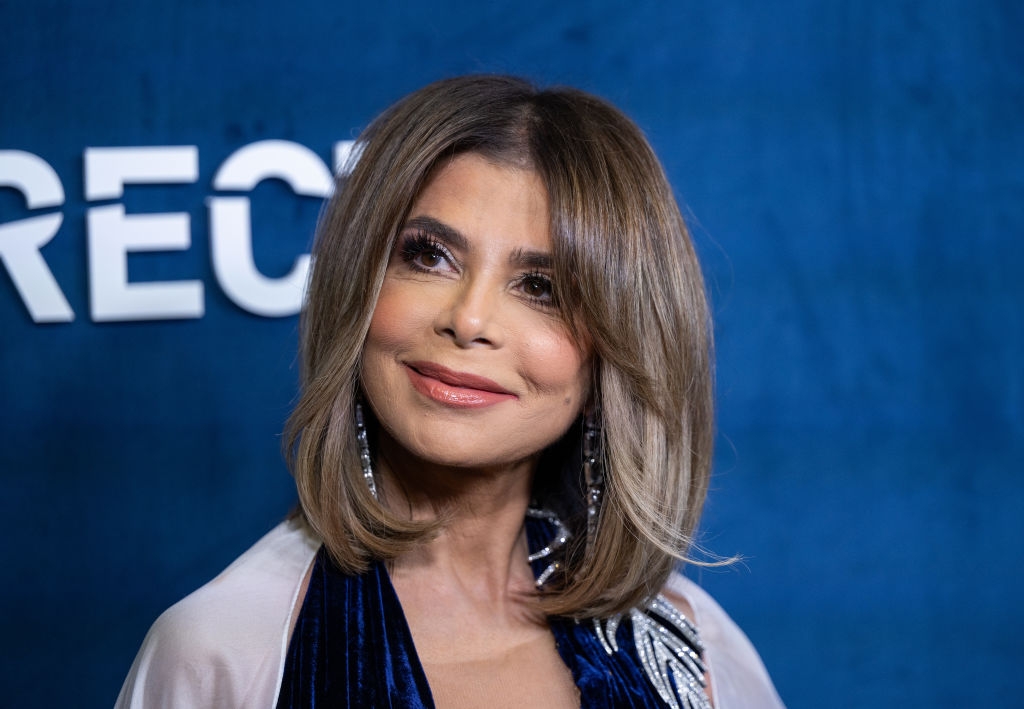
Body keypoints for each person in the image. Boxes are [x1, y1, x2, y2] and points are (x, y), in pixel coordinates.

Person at [115, 75, 785, 709]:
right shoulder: (225, 652)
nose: (468, 320)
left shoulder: (692, 650)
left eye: (542, 288)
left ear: (614, 354)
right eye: (429, 256)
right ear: (356, 286)